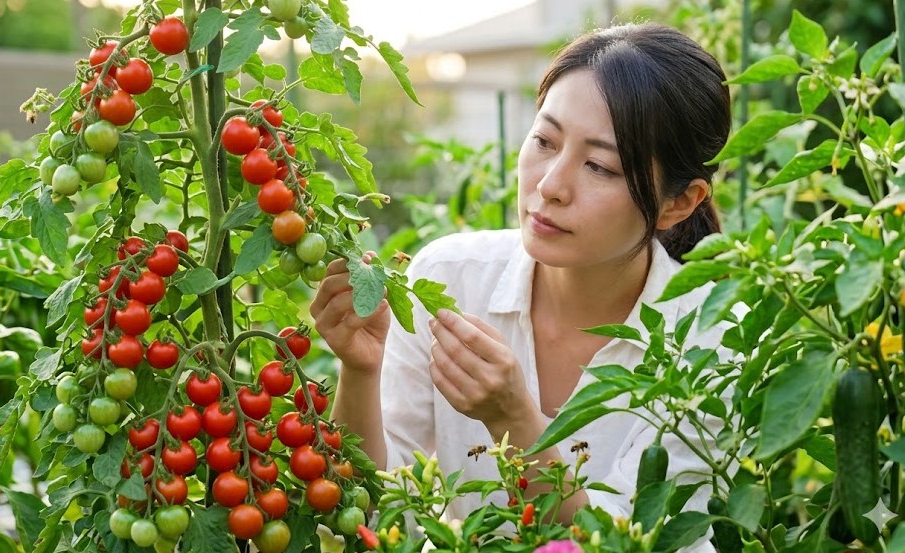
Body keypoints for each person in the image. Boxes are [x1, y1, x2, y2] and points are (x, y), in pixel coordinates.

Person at [310, 22, 732, 551]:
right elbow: (376, 507)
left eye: (599, 166)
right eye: (544, 141)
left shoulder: (712, 344)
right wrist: (359, 371)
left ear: (679, 202)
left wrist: (513, 419)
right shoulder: (449, 279)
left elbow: (632, 544)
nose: (550, 185)